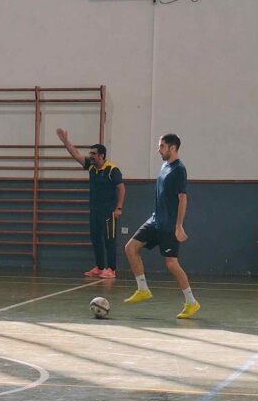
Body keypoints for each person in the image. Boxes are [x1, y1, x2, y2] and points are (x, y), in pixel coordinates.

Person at [123, 134, 199, 319]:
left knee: (171, 263)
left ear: (173, 148)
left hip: (168, 225)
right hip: (155, 221)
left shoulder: (179, 170)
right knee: (130, 248)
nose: (159, 150)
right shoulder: (164, 166)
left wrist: (178, 226)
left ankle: (191, 302)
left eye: (162, 146)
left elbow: (183, 198)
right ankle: (143, 289)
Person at [56, 129, 124, 277]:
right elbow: (76, 154)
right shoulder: (91, 167)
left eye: (93, 153)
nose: (90, 156)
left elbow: (121, 188)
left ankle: (111, 269)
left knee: (109, 240)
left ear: (101, 155)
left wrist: (118, 208)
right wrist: (65, 141)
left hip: (109, 211)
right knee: (95, 239)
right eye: (90, 153)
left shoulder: (112, 170)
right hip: (94, 210)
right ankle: (99, 267)